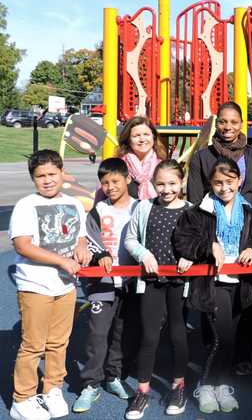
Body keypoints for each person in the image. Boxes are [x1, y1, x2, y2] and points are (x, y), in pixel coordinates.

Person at [187, 101, 252, 375]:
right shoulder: (202, 157)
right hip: (213, 237)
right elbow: (194, 199)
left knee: (246, 300)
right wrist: (206, 238)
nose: (228, 127)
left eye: (234, 122)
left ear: (241, 125)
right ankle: (213, 353)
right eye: (223, 121)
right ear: (217, 123)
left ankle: (243, 355)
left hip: (246, 235)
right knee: (210, 298)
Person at [8, 149, 91, 420]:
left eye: (52, 174)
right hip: (35, 285)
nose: (47, 180)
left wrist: (82, 248)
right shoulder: (25, 205)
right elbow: (23, 245)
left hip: (65, 286)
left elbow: (80, 236)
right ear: (33, 179)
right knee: (33, 345)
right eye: (40, 176)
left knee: (58, 342)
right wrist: (61, 261)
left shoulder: (75, 203)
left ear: (62, 173)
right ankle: (22, 399)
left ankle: (52, 388)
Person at [173, 158, 252, 414]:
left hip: (239, 282)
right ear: (210, 183)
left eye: (229, 182)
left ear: (239, 181)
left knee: (225, 339)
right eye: (218, 183)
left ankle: (222, 385)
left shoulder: (248, 211)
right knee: (223, 338)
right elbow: (183, 241)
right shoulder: (199, 211)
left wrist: (251, 249)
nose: (224, 188)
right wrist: (208, 246)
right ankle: (206, 385)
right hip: (213, 282)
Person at [123, 160, 193, 419]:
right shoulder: (144, 207)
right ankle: (142, 390)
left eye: (172, 183)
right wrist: (143, 254)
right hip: (152, 282)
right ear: (153, 184)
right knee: (149, 336)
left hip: (178, 283)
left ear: (182, 183)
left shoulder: (190, 210)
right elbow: (130, 239)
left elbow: (202, 242)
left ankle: (178, 385)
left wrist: (192, 256)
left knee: (178, 334)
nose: (166, 189)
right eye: (160, 184)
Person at [74, 158, 138, 413]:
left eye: (115, 181)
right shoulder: (99, 210)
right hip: (103, 283)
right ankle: (91, 383)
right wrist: (101, 254)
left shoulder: (140, 208)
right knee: (98, 333)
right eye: (105, 182)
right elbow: (89, 237)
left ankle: (114, 376)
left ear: (128, 180)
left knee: (122, 334)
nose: (110, 186)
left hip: (132, 282)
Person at [96, 116, 166, 202]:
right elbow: (101, 197)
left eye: (146, 134)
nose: (142, 139)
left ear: (153, 137)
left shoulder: (163, 167)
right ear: (128, 140)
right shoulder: (117, 167)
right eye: (136, 136)